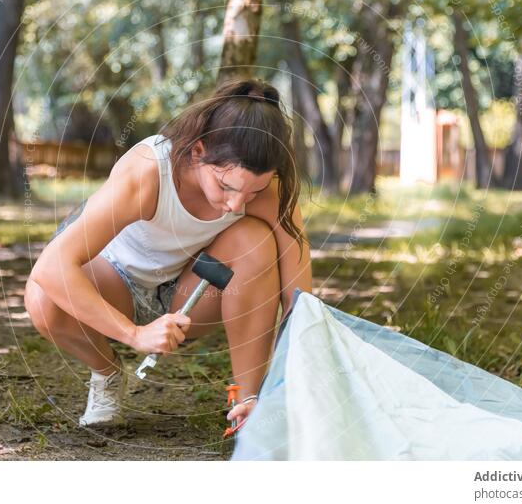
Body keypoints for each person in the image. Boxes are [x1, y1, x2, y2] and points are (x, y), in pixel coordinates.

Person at [24, 78, 312, 430]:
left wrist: (300, 379)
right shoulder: (148, 171)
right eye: (225, 186)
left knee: (254, 238)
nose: (236, 204)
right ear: (198, 152)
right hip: (113, 282)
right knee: (43, 297)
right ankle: (107, 371)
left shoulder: (269, 190)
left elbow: (299, 298)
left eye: (254, 192)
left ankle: (247, 403)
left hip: (189, 295)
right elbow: (50, 267)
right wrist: (134, 335)